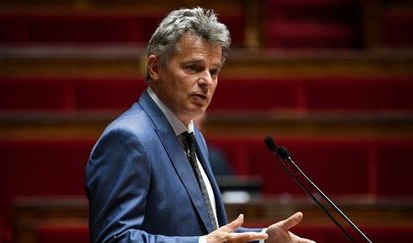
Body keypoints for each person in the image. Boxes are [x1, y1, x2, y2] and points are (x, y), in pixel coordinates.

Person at [85, 7, 315, 243]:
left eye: (213, 71)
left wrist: (263, 238)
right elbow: (114, 239)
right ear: (155, 68)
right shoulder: (128, 138)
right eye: (193, 67)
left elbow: (205, 233)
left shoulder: (191, 135)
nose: (207, 81)